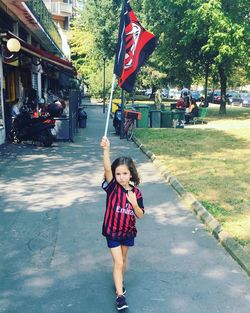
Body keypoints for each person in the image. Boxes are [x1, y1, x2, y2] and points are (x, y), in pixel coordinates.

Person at [100, 136, 144, 311]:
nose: (121, 177)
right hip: (112, 231)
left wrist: (133, 203)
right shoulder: (112, 187)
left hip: (128, 232)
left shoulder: (137, 193)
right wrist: (106, 150)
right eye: (118, 173)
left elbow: (140, 215)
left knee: (123, 261)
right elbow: (106, 168)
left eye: (124, 173)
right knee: (118, 262)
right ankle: (120, 296)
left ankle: (119, 281)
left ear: (131, 174)